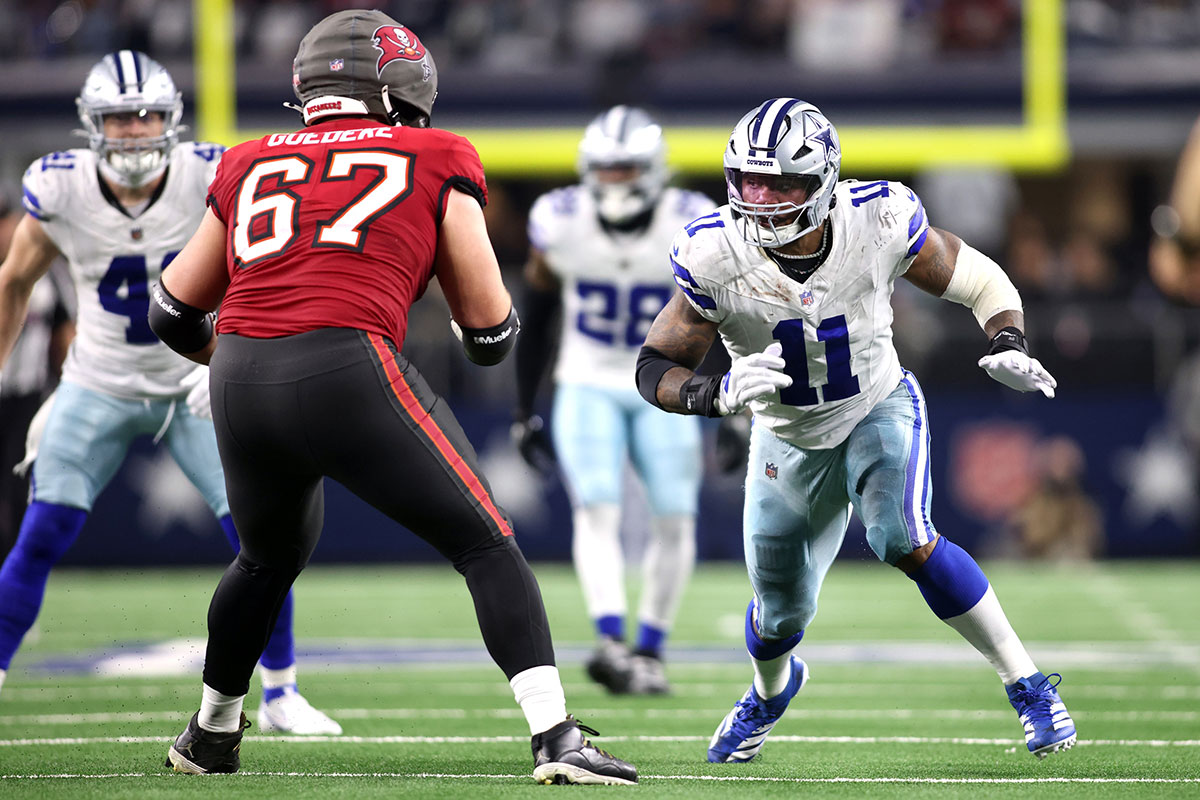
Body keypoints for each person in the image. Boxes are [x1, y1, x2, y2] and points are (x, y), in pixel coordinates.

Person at [149, 10, 636, 785]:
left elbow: (172, 310)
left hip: (239, 372)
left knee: (264, 559)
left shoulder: (247, 160)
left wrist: (232, 361)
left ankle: (211, 733)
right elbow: (486, 328)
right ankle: (555, 737)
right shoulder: (435, 151)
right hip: (347, 364)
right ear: (403, 89)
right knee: (485, 543)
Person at [635, 98, 1077, 762]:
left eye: (780, 184)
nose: (761, 201)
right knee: (778, 613)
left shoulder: (878, 219)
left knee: (903, 537)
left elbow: (978, 278)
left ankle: (1030, 685)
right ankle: (769, 692)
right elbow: (654, 366)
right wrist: (713, 392)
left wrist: (1008, 338)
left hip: (876, 407)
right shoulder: (714, 253)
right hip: (785, 437)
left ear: (821, 182)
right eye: (750, 182)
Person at [0, 50, 339, 735]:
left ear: (172, 119)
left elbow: (261, 270)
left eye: (147, 114)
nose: (134, 130)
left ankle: (280, 693)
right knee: (41, 533)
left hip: (192, 377)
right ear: (93, 125)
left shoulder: (208, 174)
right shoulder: (60, 187)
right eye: (120, 118)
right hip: (99, 379)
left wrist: (229, 362)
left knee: (261, 539)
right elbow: (14, 280)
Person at [514, 106, 717, 695]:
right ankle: (610, 639)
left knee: (675, 517)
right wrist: (523, 408)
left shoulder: (692, 222)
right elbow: (539, 313)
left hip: (666, 385)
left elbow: (726, 313)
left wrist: (727, 405)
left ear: (652, 170)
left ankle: (649, 650)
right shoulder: (561, 220)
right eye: (605, 169)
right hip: (586, 380)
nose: (614, 181)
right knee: (595, 511)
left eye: (626, 169)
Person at [0, 183, 74, 561]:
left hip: (25, 398)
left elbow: (64, 334)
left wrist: (71, 387)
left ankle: (8, 592)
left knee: (15, 499)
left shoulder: (46, 272)